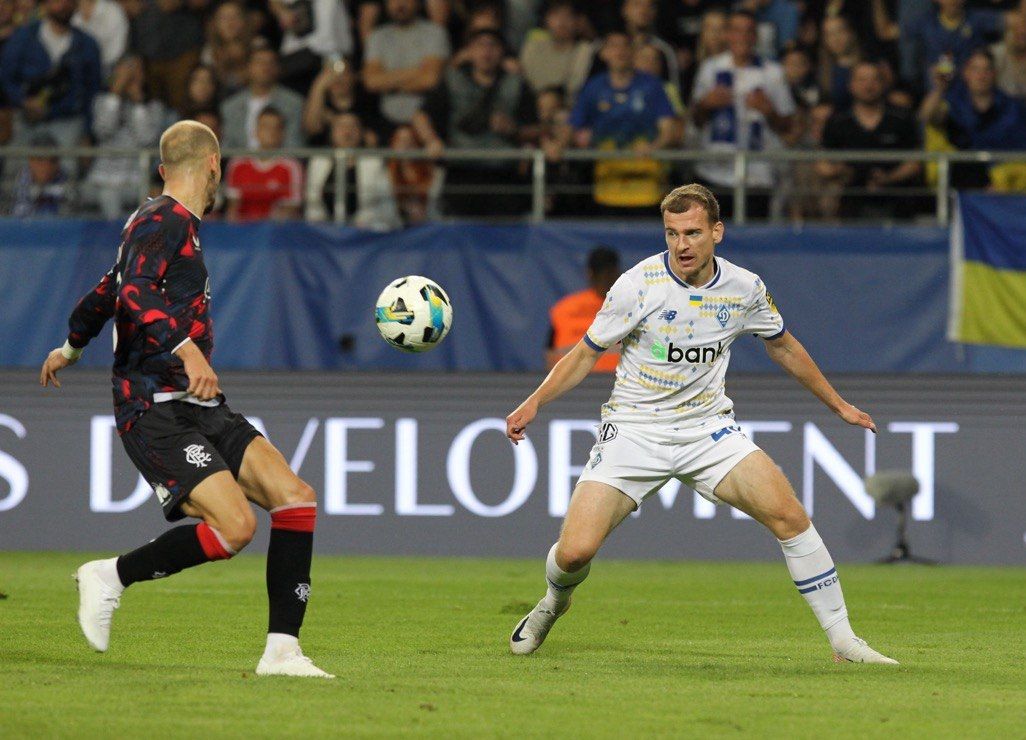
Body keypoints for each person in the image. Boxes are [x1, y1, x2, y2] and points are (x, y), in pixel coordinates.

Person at [505, 183, 898, 666]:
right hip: (633, 430)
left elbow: (784, 346)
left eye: (692, 232)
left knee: (790, 517)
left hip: (707, 431)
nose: (681, 244)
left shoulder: (744, 288)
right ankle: (552, 603)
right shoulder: (635, 285)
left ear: (717, 231)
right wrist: (534, 403)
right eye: (671, 233)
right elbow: (586, 353)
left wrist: (838, 405)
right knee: (574, 555)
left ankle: (844, 643)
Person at [39, 120, 333, 678]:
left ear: (162, 166)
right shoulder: (164, 218)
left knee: (295, 497)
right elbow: (133, 291)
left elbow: (107, 290)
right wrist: (190, 351)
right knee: (237, 526)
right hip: (152, 406)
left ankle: (282, 652)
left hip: (197, 405)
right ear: (215, 165)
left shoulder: (166, 226)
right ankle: (112, 575)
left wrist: (70, 347)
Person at [412, 28, 535, 216]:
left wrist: (513, 129)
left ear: (502, 51)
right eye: (480, 46)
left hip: (504, 175)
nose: (486, 52)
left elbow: (537, 128)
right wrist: (431, 140)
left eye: (492, 46)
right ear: (469, 51)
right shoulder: (453, 80)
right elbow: (420, 116)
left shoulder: (517, 84)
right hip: (462, 172)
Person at [690, 10, 796, 220]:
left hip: (758, 175)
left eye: (748, 31)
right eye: (737, 31)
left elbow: (788, 125)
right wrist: (705, 104)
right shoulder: (710, 68)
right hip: (713, 171)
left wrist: (769, 111)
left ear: (755, 36)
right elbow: (695, 120)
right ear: (728, 35)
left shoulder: (772, 72)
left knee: (753, 244)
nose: (743, 37)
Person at [568, 31, 678, 212]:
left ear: (633, 52)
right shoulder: (593, 88)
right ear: (603, 53)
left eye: (625, 46)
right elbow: (572, 126)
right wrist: (559, 143)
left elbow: (669, 130)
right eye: (613, 46)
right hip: (606, 189)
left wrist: (653, 147)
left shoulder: (652, 86)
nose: (619, 52)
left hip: (648, 189)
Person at [817, 61, 921, 219]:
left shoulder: (902, 118)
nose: (868, 86)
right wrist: (841, 172)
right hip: (851, 206)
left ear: (883, 84)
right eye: (862, 80)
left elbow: (915, 162)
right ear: (851, 85)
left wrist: (889, 178)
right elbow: (822, 163)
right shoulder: (837, 121)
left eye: (874, 79)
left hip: (897, 205)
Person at [0, 0, 102, 146]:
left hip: (68, 121)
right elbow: (6, 79)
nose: (63, 5)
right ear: (45, 4)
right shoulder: (23, 38)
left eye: (69, 2)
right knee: (14, 165)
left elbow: (92, 92)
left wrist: (87, 132)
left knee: (69, 164)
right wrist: (23, 101)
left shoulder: (87, 45)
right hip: (26, 119)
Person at [362, 0, 450, 129]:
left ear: (418, 3)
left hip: (430, 119)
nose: (399, 4)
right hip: (386, 121)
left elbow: (430, 80)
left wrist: (388, 83)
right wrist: (417, 71)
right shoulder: (377, 37)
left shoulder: (435, 33)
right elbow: (371, 82)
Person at [547, 247, 621, 372]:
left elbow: (550, 354)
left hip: (575, 384)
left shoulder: (564, 308)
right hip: (617, 384)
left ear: (589, 273)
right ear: (617, 273)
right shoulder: (631, 307)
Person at [225, 106, 304, 221]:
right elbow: (232, 208)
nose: (271, 132)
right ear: (256, 131)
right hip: (243, 230)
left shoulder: (291, 167)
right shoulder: (238, 164)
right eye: (266, 127)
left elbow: (291, 208)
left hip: (275, 231)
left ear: (283, 133)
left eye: (276, 128)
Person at [220, 44, 305, 150]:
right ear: (248, 68)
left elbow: (294, 145)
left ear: (278, 68)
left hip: (281, 163)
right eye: (259, 62)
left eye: (270, 63)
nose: (265, 67)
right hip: (239, 164)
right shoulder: (230, 107)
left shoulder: (293, 103)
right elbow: (228, 146)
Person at [518, 0, 592, 99]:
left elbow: (575, 86)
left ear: (577, 22)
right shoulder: (533, 45)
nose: (562, 21)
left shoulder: (585, 50)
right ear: (546, 19)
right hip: (531, 103)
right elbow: (525, 78)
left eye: (568, 16)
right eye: (556, 15)